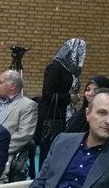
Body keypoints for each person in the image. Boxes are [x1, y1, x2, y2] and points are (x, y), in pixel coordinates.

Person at [34, 39, 86, 167]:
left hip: (63, 115)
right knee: (48, 150)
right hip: (51, 116)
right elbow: (47, 94)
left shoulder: (71, 71)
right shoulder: (55, 68)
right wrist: (70, 98)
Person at [0, 70, 38, 156]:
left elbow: (24, 135)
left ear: (12, 86)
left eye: (0, 82)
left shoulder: (28, 105)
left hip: (5, 153)